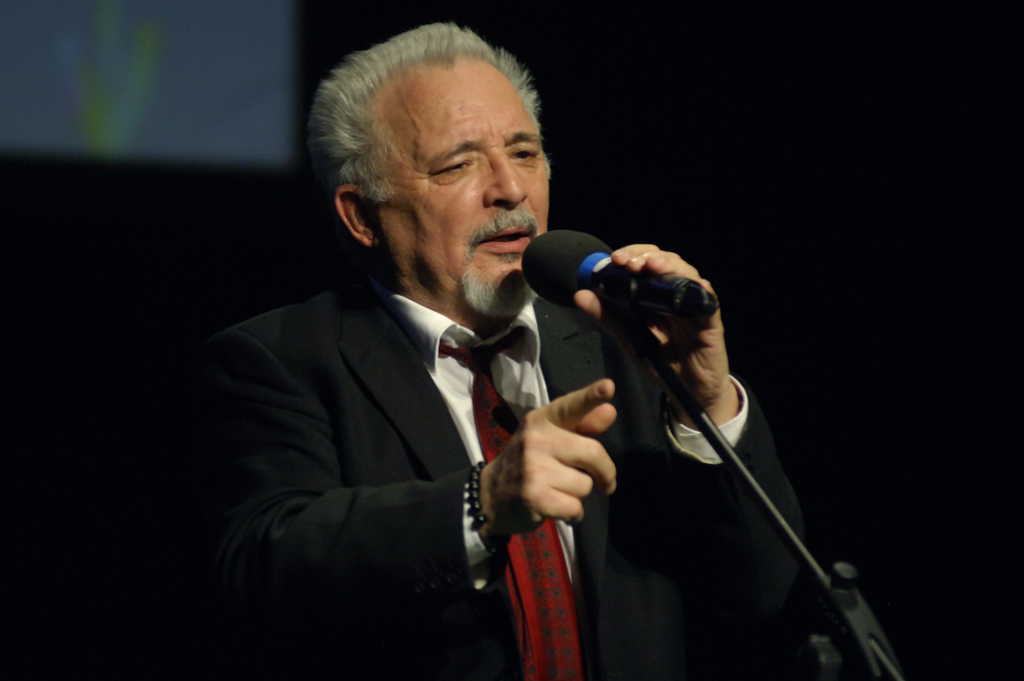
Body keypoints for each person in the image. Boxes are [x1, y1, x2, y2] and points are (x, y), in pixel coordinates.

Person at [196, 23, 802, 681]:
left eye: (524, 152)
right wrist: (481, 503)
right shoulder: (279, 360)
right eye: (458, 165)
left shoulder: (625, 343)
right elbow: (266, 566)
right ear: (362, 216)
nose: (510, 189)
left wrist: (704, 405)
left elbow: (759, 592)